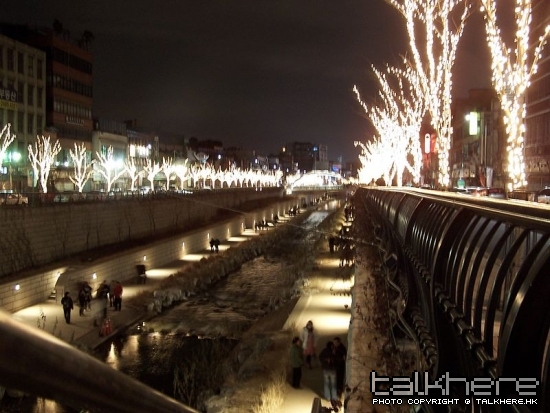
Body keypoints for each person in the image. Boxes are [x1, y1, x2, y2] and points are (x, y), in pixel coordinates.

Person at [318, 341, 338, 406]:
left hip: (326, 369)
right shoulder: (333, 351)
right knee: (333, 384)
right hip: (332, 370)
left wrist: (325, 360)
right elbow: (336, 359)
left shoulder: (324, 351)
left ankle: (328, 397)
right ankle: (334, 397)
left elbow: (320, 357)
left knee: (327, 384)